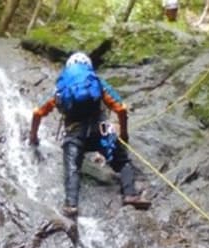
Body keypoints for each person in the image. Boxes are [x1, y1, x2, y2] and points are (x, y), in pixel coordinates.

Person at [28, 52, 151, 218]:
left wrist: (33, 137)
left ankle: (71, 205)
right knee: (123, 162)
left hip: (74, 134)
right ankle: (130, 194)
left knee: (72, 168)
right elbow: (121, 109)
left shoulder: (61, 88)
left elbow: (38, 112)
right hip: (100, 132)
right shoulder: (97, 82)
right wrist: (123, 135)